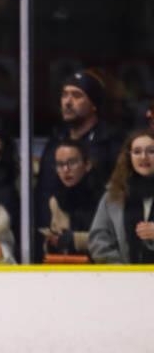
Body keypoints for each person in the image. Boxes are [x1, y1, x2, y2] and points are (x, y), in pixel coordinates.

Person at [35, 70, 122, 261]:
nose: (67, 101)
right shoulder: (56, 140)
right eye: (64, 95)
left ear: (94, 104)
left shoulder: (111, 143)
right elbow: (43, 192)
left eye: (76, 95)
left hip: (99, 246)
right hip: (55, 248)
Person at [89, 128, 154, 263]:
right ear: (129, 157)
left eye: (151, 151)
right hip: (123, 280)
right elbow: (98, 239)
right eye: (137, 152)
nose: (143, 157)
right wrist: (122, 273)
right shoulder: (114, 195)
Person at [40, 140, 102, 262]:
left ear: (87, 164)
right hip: (68, 269)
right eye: (60, 164)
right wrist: (51, 243)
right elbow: (54, 239)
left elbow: (111, 239)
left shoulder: (105, 198)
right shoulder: (56, 200)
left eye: (72, 163)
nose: (65, 169)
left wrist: (74, 240)